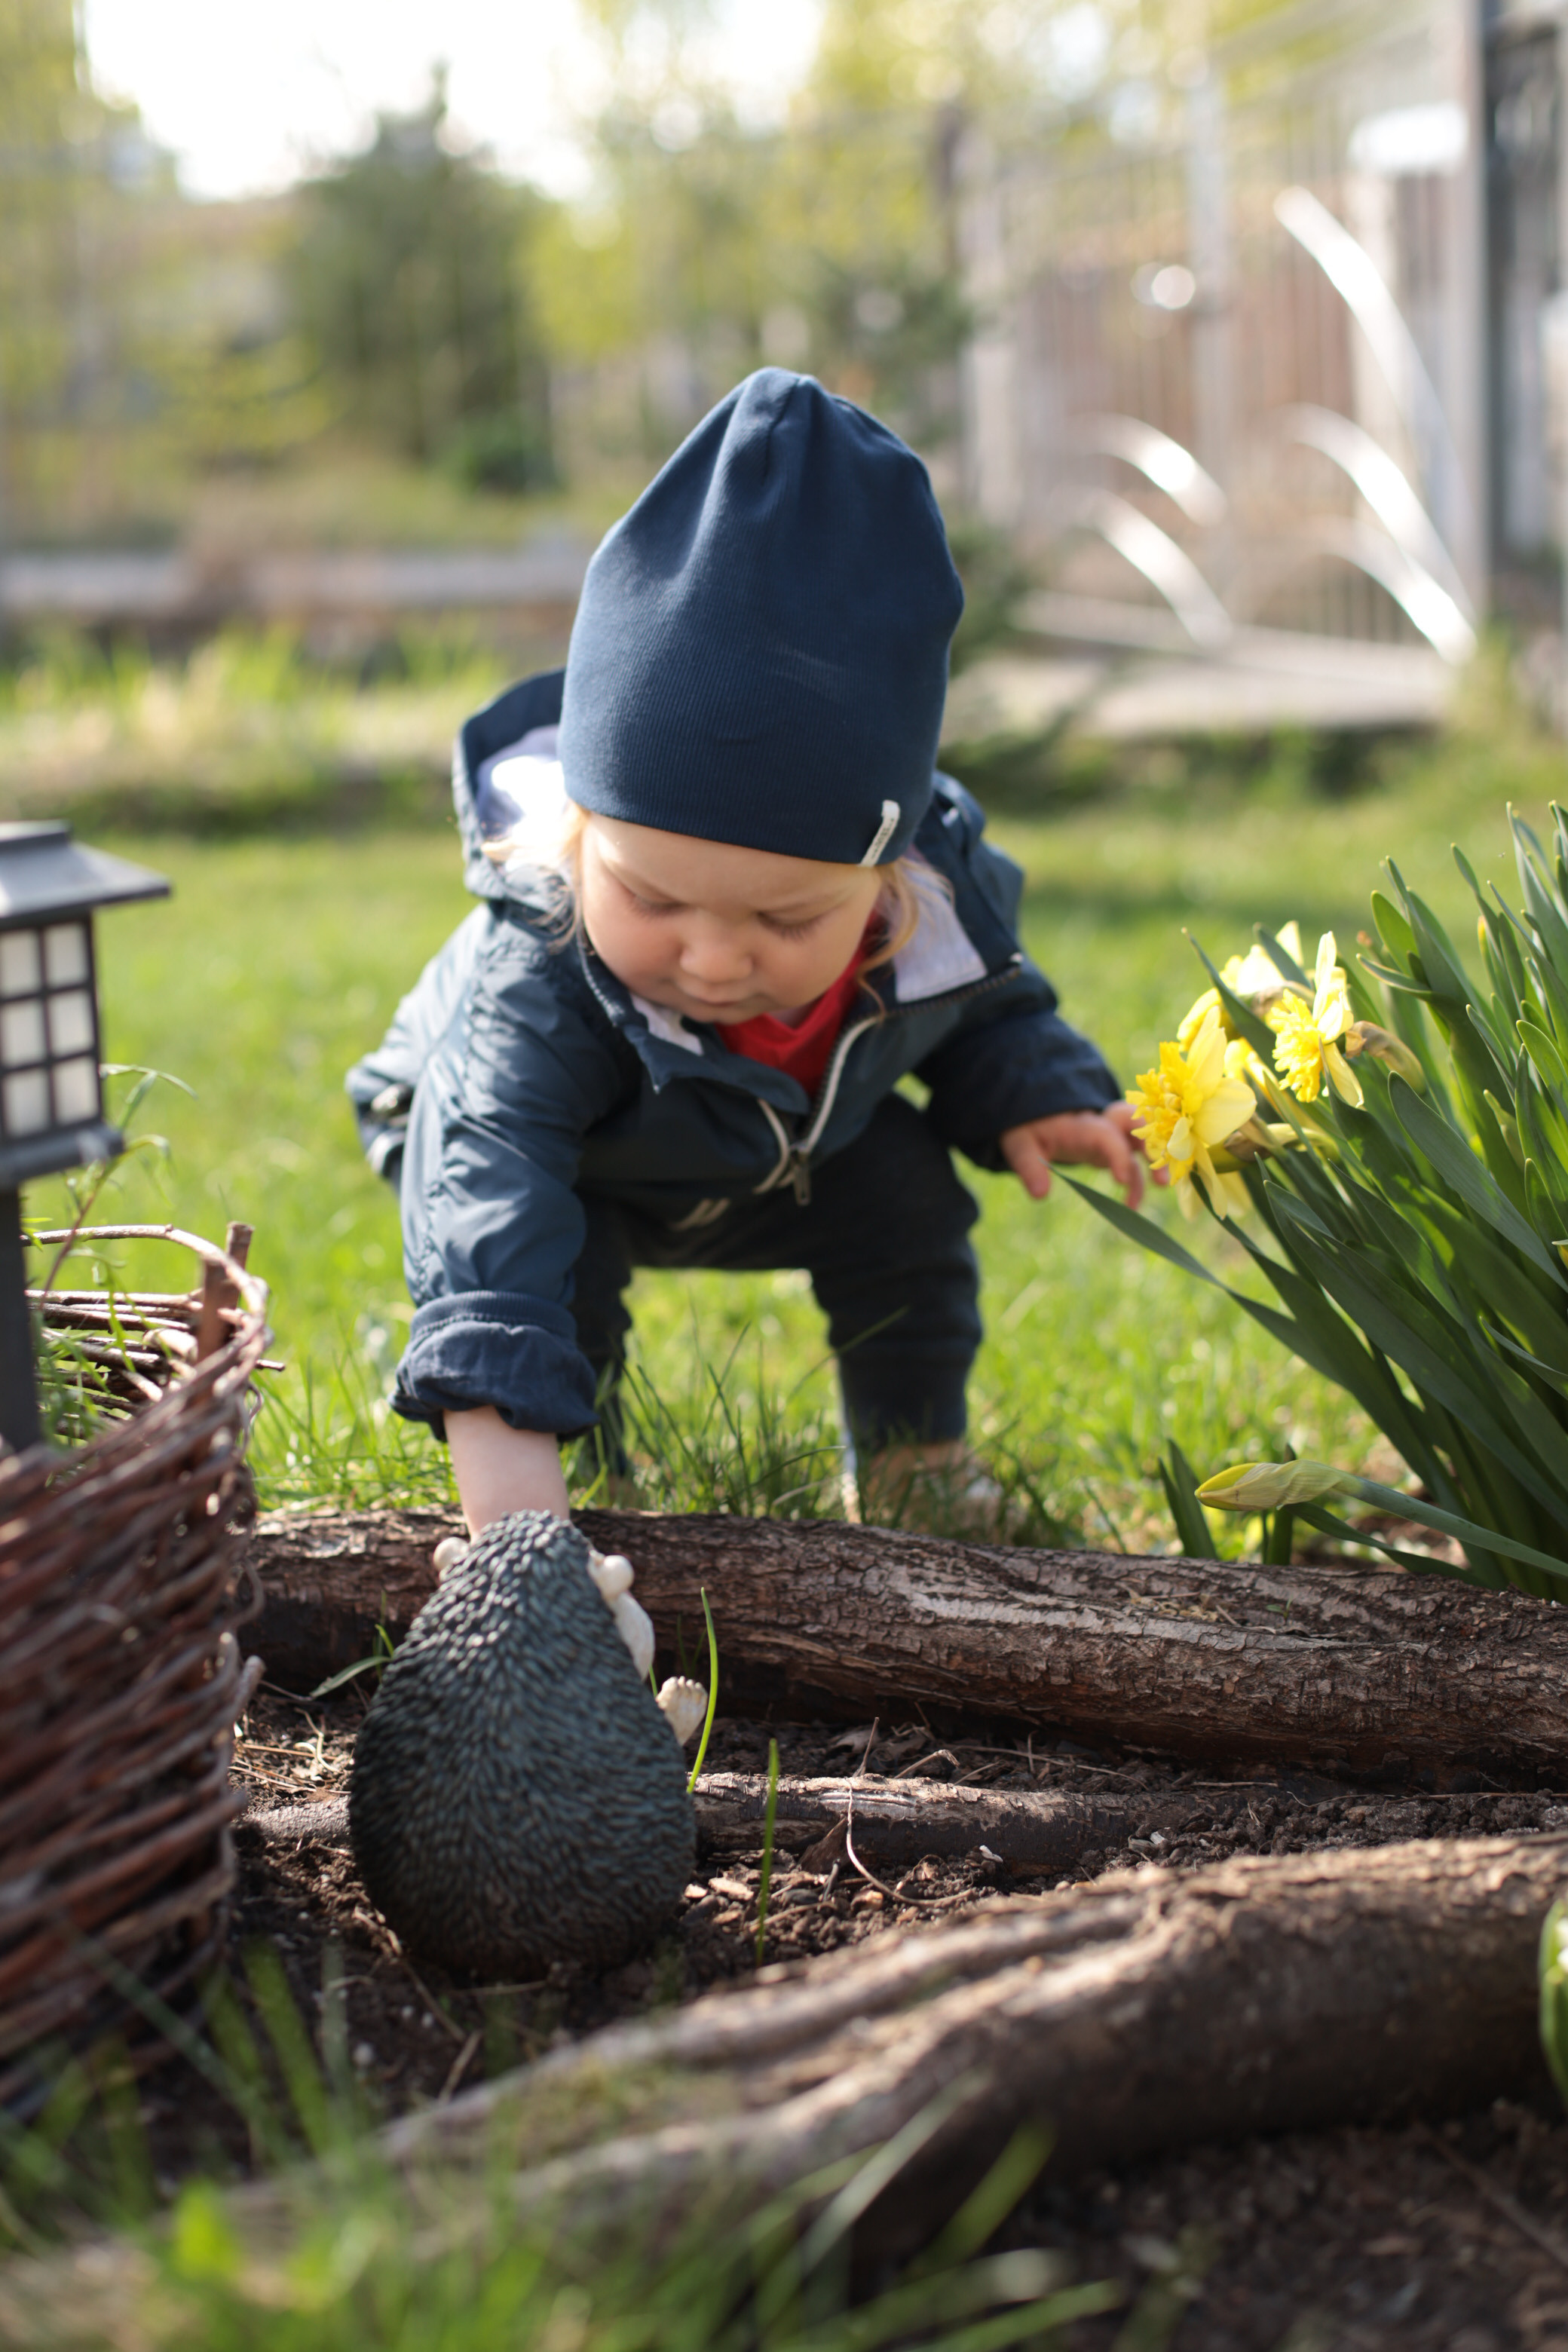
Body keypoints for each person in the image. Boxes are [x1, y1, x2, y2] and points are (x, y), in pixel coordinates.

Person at [348, 369, 1145, 1539]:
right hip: (534, 1146)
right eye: (655, 897)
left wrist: (1044, 1093)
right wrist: (516, 1537)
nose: (715, 961)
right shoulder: (539, 975)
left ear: (890, 881)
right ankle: (585, 1491)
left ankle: (918, 1461)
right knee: (558, 1271)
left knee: (906, 1192)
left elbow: (986, 1012)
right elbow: (491, 1208)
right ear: (579, 838)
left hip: (766, 1148)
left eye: (785, 922)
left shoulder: (930, 902)